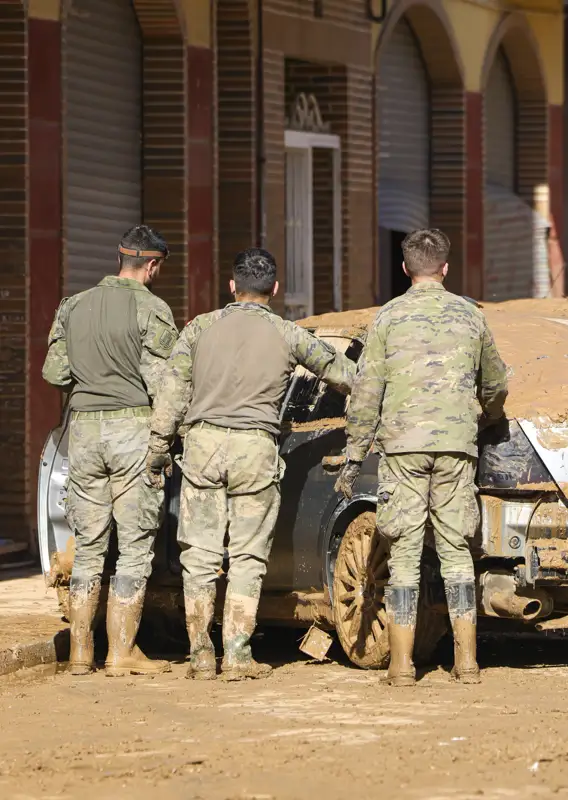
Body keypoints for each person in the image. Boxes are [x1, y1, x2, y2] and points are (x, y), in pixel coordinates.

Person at [146, 248, 355, 681]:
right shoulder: (288, 334)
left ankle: (202, 654)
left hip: (202, 447)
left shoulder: (199, 329)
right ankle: (238, 655)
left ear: (231, 286)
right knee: (247, 556)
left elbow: (170, 395)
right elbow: (344, 374)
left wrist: (157, 449)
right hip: (255, 450)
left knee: (199, 556)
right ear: (275, 289)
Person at [336, 228, 508, 687]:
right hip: (456, 446)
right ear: (446, 268)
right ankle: (467, 663)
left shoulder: (388, 317)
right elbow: (496, 382)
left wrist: (354, 457)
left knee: (405, 554)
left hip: (402, 448)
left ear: (405, 268)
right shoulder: (470, 317)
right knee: (456, 552)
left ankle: (401, 665)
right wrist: (487, 416)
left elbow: (366, 392)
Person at [42, 225, 177, 677]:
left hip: (82, 432)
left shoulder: (72, 307)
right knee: (135, 544)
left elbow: (55, 374)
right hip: (132, 431)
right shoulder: (152, 309)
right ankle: (121, 652)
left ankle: (81, 653)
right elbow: (164, 386)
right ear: (152, 264)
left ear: (120, 257)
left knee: (89, 545)